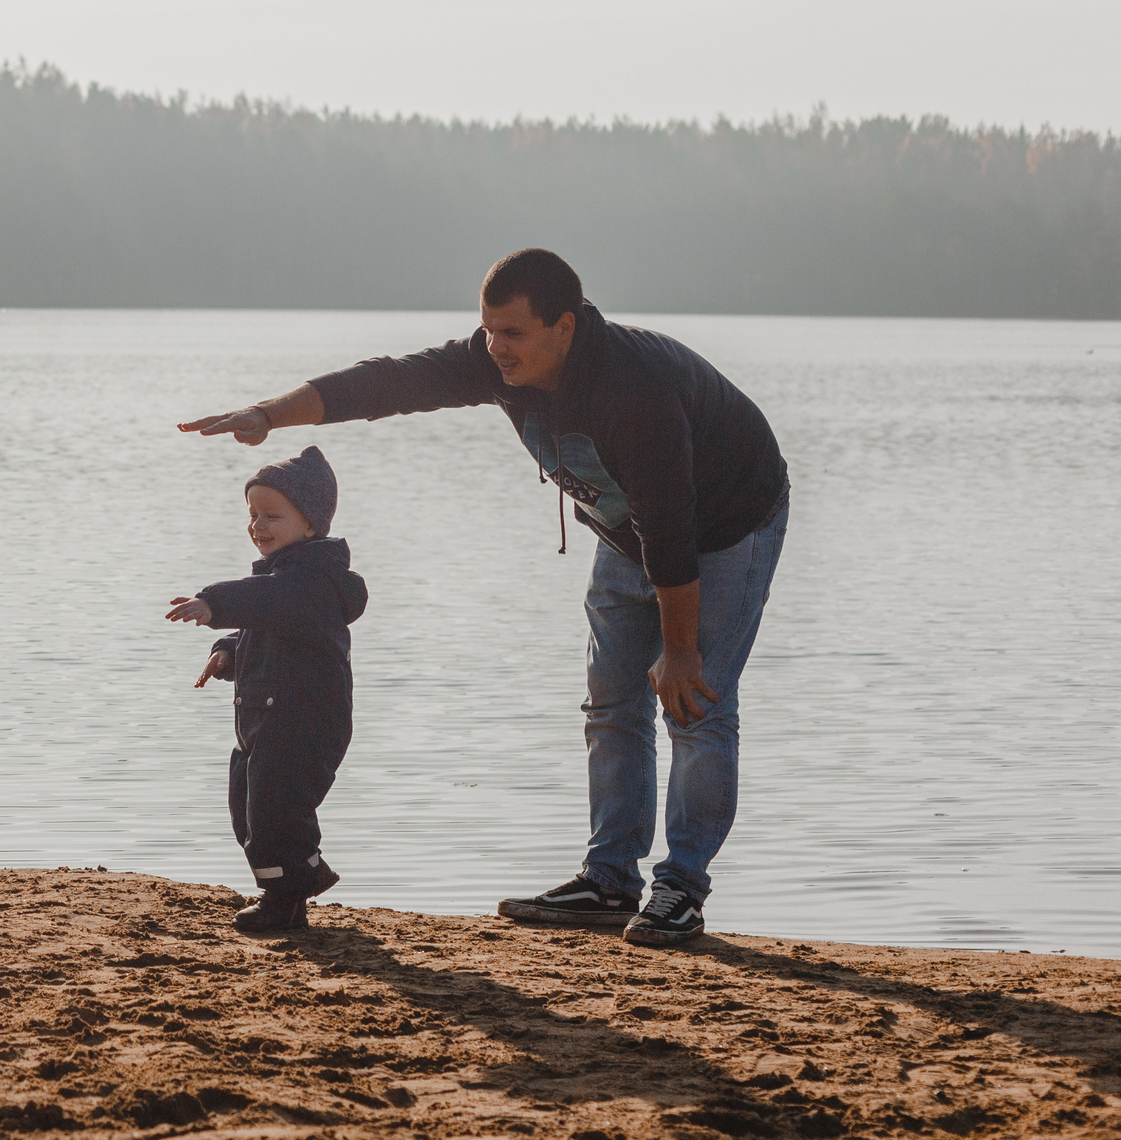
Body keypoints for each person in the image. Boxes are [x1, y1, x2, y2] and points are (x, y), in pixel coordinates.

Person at [178, 249, 788, 947]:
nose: (496, 347)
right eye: (489, 329)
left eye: (513, 333)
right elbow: (387, 383)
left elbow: (675, 531)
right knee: (611, 702)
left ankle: (681, 888)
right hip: (630, 532)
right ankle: (609, 880)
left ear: (565, 327)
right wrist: (269, 414)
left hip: (728, 523)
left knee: (695, 703)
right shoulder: (494, 361)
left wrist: (679, 650)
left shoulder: (634, 389)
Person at [167, 445, 368, 936]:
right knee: (249, 808)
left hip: (304, 722)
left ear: (311, 525)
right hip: (265, 719)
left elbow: (268, 601)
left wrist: (213, 602)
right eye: (252, 514)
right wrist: (228, 652)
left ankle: (285, 899)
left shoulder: (312, 583)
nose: (258, 525)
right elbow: (264, 627)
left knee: (276, 809)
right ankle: (301, 876)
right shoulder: (281, 583)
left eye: (272, 516)